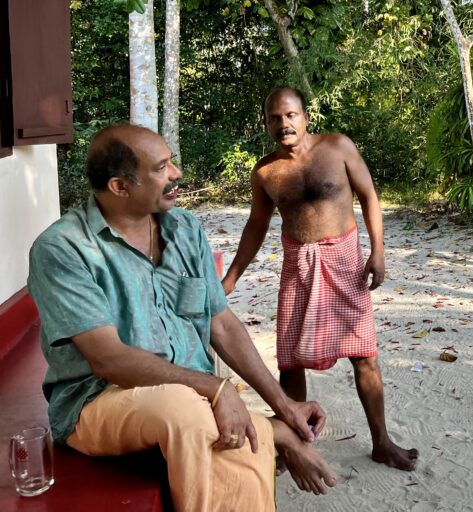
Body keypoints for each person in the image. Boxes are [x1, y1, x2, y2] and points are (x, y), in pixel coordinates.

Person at [27, 124, 338, 511]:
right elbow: (108, 359)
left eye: (170, 161)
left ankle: (273, 431)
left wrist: (285, 405)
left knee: (215, 426)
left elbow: (221, 323)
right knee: (184, 409)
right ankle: (273, 435)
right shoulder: (63, 248)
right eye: (161, 167)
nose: (176, 174)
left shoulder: (186, 229)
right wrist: (217, 389)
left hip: (193, 395)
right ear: (120, 187)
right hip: (96, 402)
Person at [221, 87, 417, 471]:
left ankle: (381, 441)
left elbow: (369, 196)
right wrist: (232, 276)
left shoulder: (338, 147)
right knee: (291, 360)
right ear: (266, 124)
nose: (284, 124)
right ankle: (293, 445)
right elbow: (256, 225)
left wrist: (377, 251)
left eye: (290, 115)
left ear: (306, 117)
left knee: (364, 355)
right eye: (274, 118)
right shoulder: (265, 172)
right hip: (299, 265)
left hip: (345, 260)